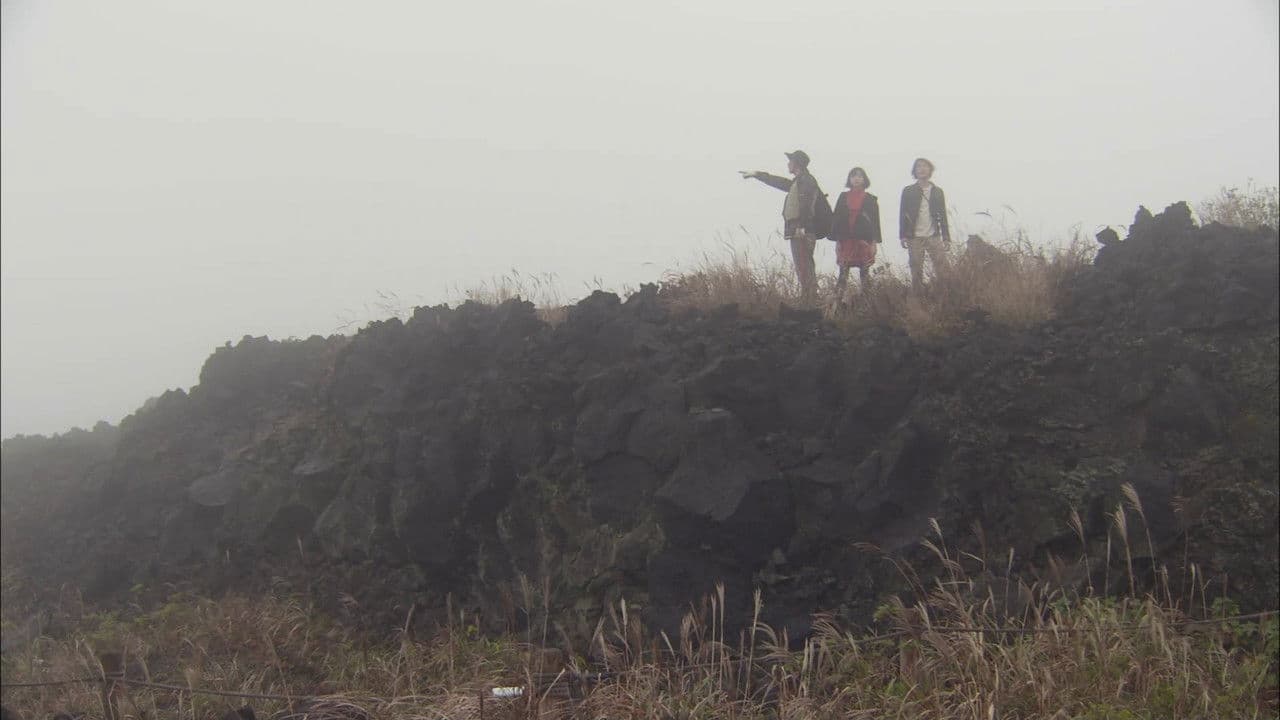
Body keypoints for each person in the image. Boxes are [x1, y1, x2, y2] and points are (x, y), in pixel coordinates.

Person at [740, 150, 821, 302]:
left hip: (801, 230)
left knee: (804, 265)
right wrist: (757, 174)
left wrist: (802, 227)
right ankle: (808, 297)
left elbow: (806, 205)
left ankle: (810, 299)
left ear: (797, 163)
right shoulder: (799, 181)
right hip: (798, 229)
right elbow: (778, 182)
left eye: (790, 161)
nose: (788, 164)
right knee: (802, 265)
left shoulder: (806, 181)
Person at [828, 166, 882, 302]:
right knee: (843, 272)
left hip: (863, 241)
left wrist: (874, 243)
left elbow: (875, 222)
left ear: (864, 179)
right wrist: (837, 241)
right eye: (853, 176)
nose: (856, 179)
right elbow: (837, 219)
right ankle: (837, 302)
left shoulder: (870, 199)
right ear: (849, 179)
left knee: (865, 272)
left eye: (859, 176)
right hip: (846, 240)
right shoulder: (843, 196)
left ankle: (867, 303)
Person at [898, 157, 951, 292]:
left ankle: (945, 295)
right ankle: (918, 298)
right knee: (916, 271)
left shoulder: (937, 191)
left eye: (925, 166)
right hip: (914, 237)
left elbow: (943, 215)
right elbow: (903, 213)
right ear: (915, 171)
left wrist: (946, 237)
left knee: (942, 269)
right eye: (918, 166)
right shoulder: (908, 191)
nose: (922, 169)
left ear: (930, 170)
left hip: (933, 235)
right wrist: (902, 235)